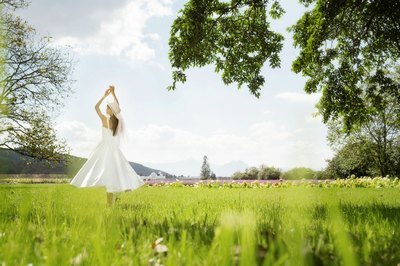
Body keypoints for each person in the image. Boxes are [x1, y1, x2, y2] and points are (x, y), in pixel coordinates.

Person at [70, 85, 145, 205]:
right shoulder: (117, 121)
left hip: (105, 151)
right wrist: (114, 94)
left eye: (107, 108)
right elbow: (118, 107)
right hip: (115, 152)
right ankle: (116, 198)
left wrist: (104, 96)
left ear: (111, 110)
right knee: (115, 177)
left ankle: (111, 204)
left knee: (108, 178)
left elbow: (96, 107)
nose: (105, 109)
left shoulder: (106, 120)